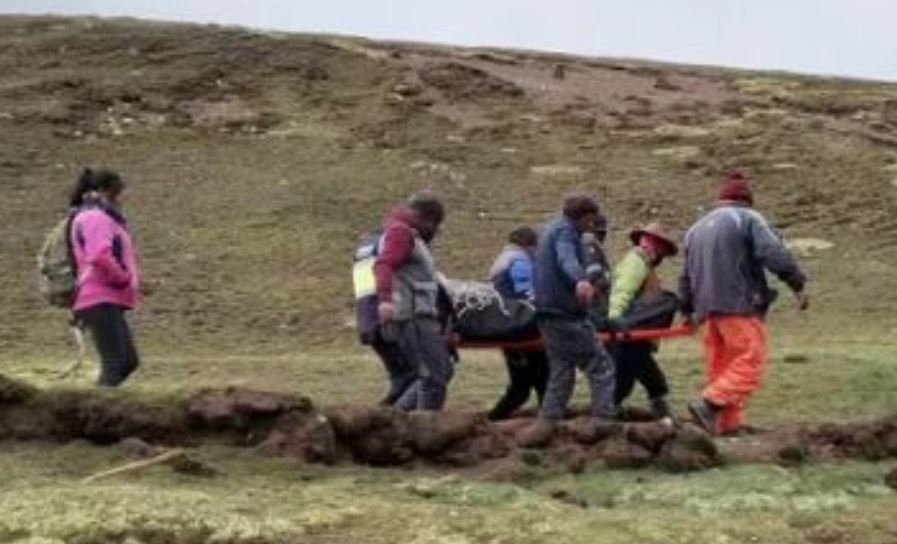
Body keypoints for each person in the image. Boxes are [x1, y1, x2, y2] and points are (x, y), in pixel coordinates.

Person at [680, 172, 809, 435]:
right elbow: (773, 252)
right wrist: (797, 284)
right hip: (739, 304)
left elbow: (685, 275)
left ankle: (725, 427)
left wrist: (687, 309)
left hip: (706, 311)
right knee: (749, 360)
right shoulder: (747, 217)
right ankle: (708, 405)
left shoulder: (694, 230)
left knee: (722, 369)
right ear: (746, 200)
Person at [519, 194, 617, 447]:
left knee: (561, 371)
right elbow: (567, 259)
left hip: (546, 314)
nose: (592, 226)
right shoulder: (565, 232)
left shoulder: (549, 228)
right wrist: (580, 280)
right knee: (600, 364)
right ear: (584, 216)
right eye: (591, 220)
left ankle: (545, 425)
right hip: (565, 314)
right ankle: (603, 421)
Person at [374, 193, 454, 411]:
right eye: (435, 224)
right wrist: (385, 301)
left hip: (421, 314)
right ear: (426, 218)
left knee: (441, 371)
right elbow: (383, 265)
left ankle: (393, 420)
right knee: (434, 377)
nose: (436, 231)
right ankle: (423, 433)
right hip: (413, 315)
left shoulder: (407, 233)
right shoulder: (401, 233)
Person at [68, 169, 141, 387]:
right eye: (117, 192)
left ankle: (104, 408)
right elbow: (99, 255)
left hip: (107, 296)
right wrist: (122, 278)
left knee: (128, 361)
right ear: (102, 191)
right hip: (98, 296)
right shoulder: (94, 217)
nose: (122, 198)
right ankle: (96, 414)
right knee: (115, 362)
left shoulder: (104, 217)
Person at [607, 222, 679, 422]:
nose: (663, 255)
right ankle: (608, 415)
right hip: (628, 331)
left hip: (636, 333)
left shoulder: (644, 264)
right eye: (662, 249)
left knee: (647, 375)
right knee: (626, 378)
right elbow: (622, 291)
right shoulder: (636, 262)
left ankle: (660, 411)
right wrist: (615, 319)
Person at [486, 226, 549, 421]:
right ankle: (549, 421)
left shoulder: (502, 259)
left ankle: (493, 420)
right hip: (521, 325)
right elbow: (526, 293)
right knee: (540, 379)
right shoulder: (519, 260)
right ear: (530, 245)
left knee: (524, 384)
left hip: (507, 324)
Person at [353, 229, 416, 406]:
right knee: (415, 376)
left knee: (401, 378)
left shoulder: (364, 249)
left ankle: (384, 418)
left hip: (367, 321)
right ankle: (385, 420)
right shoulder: (390, 244)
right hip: (387, 320)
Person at [582, 213, 612, 330]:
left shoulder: (587, 245)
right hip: (595, 308)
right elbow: (593, 277)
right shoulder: (590, 245)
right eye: (600, 233)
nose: (603, 237)